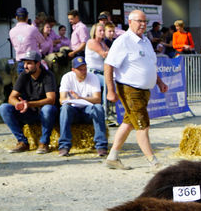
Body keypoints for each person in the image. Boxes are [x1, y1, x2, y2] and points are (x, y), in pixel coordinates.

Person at [103, 10, 168, 170]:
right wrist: (110, 90)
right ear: (130, 22)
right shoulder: (123, 41)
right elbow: (108, 65)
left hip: (144, 89)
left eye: (145, 22)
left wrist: (159, 82)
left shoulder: (145, 40)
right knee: (143, 125)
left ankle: (112, 157)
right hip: (129, 88)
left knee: (129, 123)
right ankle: (153, 161)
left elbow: (150, 64)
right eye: (139, 21)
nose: (143, 25)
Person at [0, 51, 58, 154]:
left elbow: (51, 99)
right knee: (4, 107)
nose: (25, 66)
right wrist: (18, 104)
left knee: (48, 108)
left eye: (29, 63)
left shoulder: (48, 76)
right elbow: (11, 97)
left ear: (38, 64)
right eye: (25, 63)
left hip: (45, 114)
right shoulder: (23, 75)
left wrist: (29, 104)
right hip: (29, 112)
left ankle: (44, 143)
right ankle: (22, 142)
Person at [57, 55, 108, 157]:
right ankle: (64, 145)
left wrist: (80, 98)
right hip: (73, 110)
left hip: (88, 110)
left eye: (85, 69)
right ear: (73, 70)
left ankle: (101, 146)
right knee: (65, 108)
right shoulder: (67, 77)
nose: (83, 72)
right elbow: (61, 99)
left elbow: (97, 99)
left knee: (98, 108)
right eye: (80, 69)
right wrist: (71, 100)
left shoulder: (93, 77)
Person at [9, 7, 44, 74]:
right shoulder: (32, 29)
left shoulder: (11, 31)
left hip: (21, 62)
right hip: (34, 62)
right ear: (27, 17)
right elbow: (42, 41)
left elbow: (14, 45)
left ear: (16, 17)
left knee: (23, 83)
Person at [85, 23, 109, 101]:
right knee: (107, 83)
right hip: (93, 73)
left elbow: (110, 52)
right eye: (100, 31)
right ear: (94, 32)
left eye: (103, 30)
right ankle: (104, 107)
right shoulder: (92, 42)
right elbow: (104, 54)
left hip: (101, 73)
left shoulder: (102, 43)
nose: (102, 32)